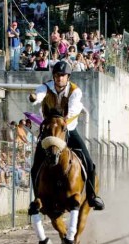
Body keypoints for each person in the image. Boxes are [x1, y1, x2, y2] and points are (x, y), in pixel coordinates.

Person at [28, 61, 104, 210]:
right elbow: (39, 94)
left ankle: (91, 196)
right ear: (53, 76)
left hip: (68, 129)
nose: (59, 78)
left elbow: (74, 111)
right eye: (57, 75)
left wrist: (62, 124)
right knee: (36, 165)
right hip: (49, 132)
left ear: (68, 77)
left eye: (62, 75)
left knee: (88, 161)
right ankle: (37, 200)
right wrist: (34, 97)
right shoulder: (46, 87)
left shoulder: (75, 91)